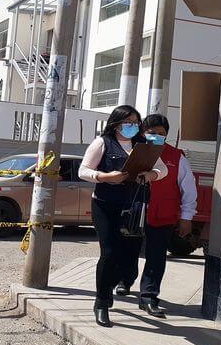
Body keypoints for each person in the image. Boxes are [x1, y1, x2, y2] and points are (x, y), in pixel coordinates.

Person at [78, 105, 168, 327]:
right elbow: (83, 170)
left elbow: (162, 169)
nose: (132, 126)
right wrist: (106, 176)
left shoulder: (145, 145)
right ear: (116, 123)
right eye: (127, 122)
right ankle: (101, 302)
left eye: (136, 122)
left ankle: (115, 285)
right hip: (105, 205)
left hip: (133, 206)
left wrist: (151, 174)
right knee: (108, 252)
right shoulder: (102, 143)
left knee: (125, 253)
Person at [135, 113, 198, 316]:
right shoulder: (133, 151)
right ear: (143, 133)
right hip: (133, 212)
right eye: (151, 133)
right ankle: (125, 279)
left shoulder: (176, 157)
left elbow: (188, 189)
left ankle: (149, 296)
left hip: (162, 215)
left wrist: (186, 218)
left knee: (156, 256)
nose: (156, 136)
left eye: (161, 134)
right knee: (126, 252)